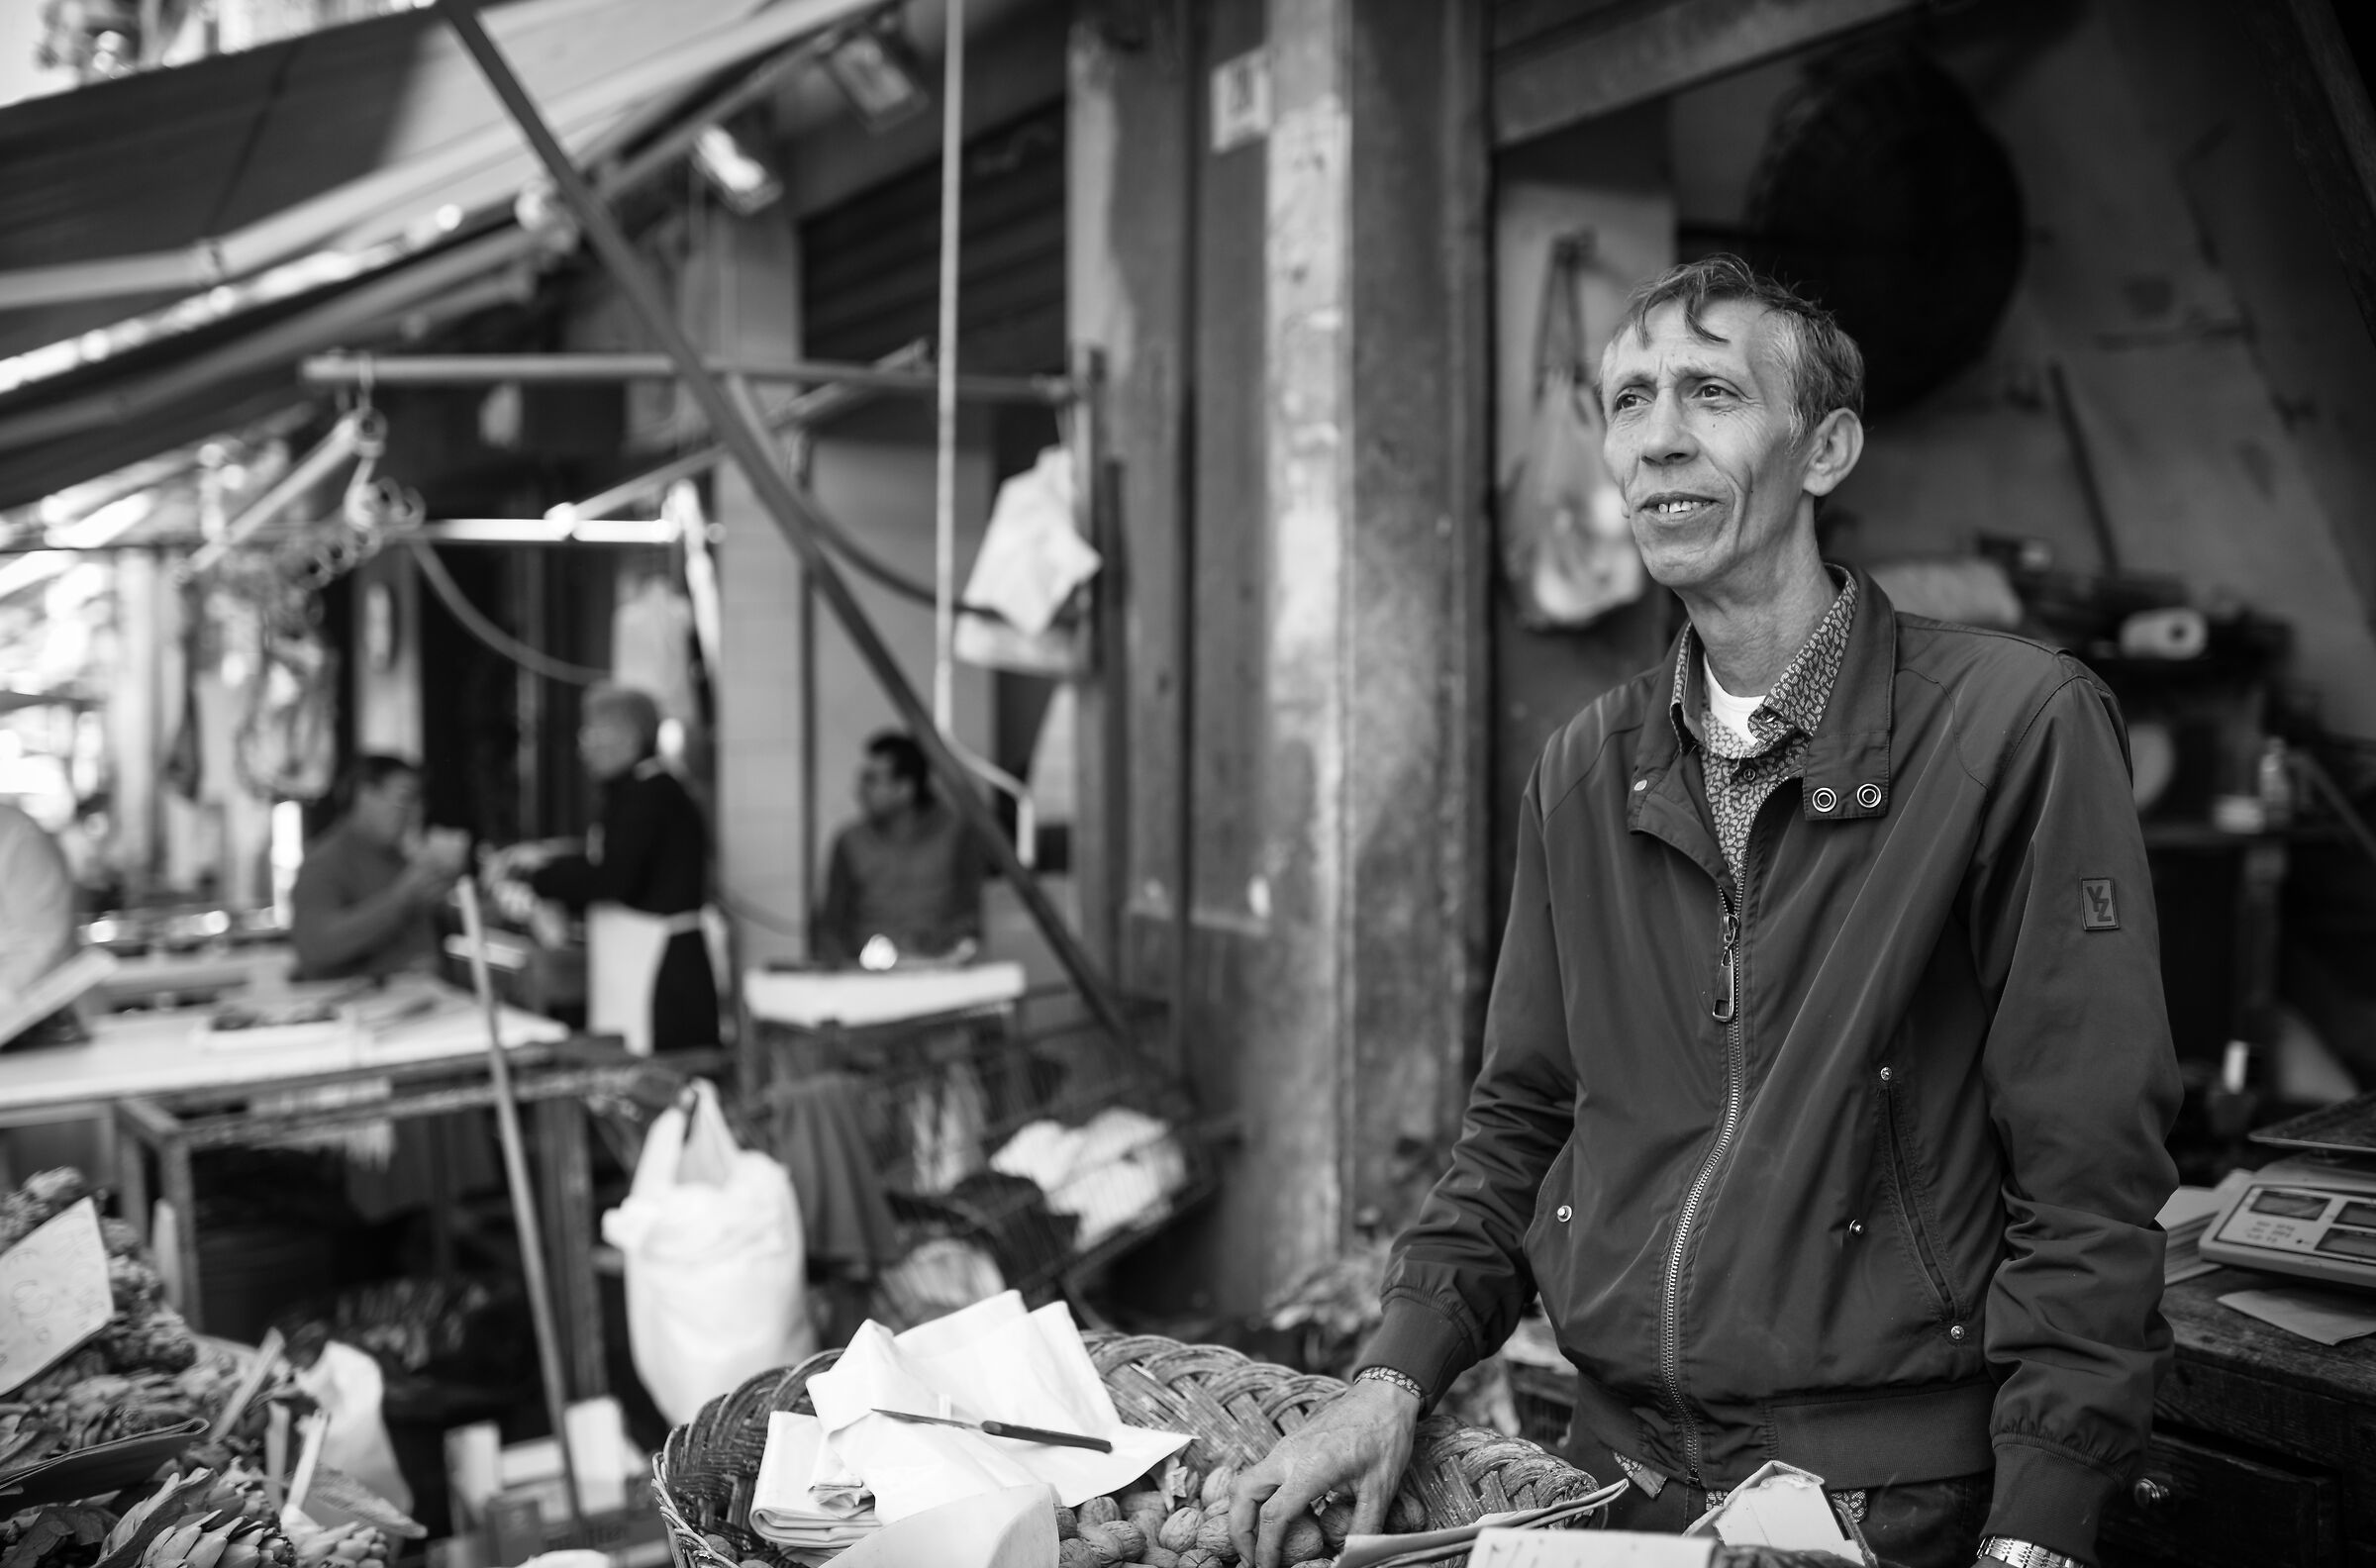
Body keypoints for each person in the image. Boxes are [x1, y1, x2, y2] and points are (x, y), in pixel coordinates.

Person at [1231, 257, 2180, 1568]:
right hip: (1610, 1483)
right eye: (1626, 401)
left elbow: (2089, 1172)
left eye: (1711, 392)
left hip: (1885, 1505)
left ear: (1826, 447)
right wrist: (1390, 1374)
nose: (1656, 436)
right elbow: (1522, 1120)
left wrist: (2041, 1528)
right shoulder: (1584, 766)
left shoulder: (2013, 727)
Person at [516, 683, 718, 1055]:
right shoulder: (634, 792)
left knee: (661, 1073)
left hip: (662, 969)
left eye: (591, 733)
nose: (584, 747)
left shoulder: (650, 795)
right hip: (638, 958)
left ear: (628, 737)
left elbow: (613, 877)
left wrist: (539, 878)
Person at [813, 730, 985, 970]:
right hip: (867, 982)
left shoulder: (956, 835)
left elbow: (971, 914)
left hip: (939, 975)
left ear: (904, 789)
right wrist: (843, 971)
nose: (860, 790)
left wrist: (934, 948)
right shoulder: (849, 841)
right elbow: (831, 925)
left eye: (871, 780)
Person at [289, 756, 461, 982]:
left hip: (431, 1000)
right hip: (370, 1009)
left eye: (419, 802)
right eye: (405, 799)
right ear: (366, 795)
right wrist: (401, 898)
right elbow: (315, 947)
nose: (415, 813)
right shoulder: (324, 862)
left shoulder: (400, 858)